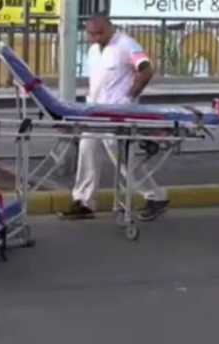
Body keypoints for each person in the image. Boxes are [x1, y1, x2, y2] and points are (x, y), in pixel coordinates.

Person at [64, 14, 167, 221]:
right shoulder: (93, 50)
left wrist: (130, 97)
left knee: (122, 159)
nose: (95, 37)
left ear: (110, 28)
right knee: (87, 151)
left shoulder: (127, 44)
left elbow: (146, 70)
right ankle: (84, 202)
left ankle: (155, 197)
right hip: (95, 112)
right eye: (91, 34)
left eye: (99, 33)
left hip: (117, 113)